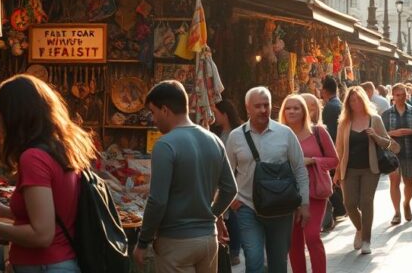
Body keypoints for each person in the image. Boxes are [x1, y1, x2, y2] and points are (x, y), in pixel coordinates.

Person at [0, 75, 98, 273]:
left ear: (15, 118)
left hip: (45, 266)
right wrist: (6, 211)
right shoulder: (61, 150)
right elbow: (53, 213)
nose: (0, 128)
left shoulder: (33, 158)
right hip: (58, 263)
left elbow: (42, 234)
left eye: (0, 119)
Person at [133, 81, 237, 273]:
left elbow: (157, 200)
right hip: (208, 241)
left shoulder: (165, 145)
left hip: (175, 242)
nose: (153, 119)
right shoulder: (214, 140)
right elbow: (230, 189)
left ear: (165, 110)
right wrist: (211, 216)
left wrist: (143, 242)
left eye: (153, 112)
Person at [226, 87, 311, 273]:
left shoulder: (285, 134)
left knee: (278, 264)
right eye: (258, 106)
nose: (263, 110)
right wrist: (232, 199)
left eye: (266, 105)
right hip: (248, 208)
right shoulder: (236, 137)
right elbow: (227, 173)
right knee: (254, 260)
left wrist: (304, 204)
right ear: (247, 108)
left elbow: (299, 170)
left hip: (280, 209)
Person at [334, 86, 396, 255]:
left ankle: (367, 240)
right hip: (350, 168)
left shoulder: (374, 119)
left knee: (366, 202)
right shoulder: (344, 122)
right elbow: (339, 148)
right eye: (352, 100)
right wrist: (337, 172)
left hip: (371, 168)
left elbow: (390, 144)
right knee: (349, 204)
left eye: (358, 99)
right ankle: (360, 229)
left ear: (364, 100)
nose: (355, 103)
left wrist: (375, 136)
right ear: (347, 103)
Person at [280, 95, 338, 273]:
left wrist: (313, 160)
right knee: (294, 242)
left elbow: (334, 160)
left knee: (312, 237)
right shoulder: (278, 134)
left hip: (315, 192)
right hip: (288, 193)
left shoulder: (318, 132)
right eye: (288, 108)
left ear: (304, 110)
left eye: (296, 108)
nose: (292, 111)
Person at [210, 99, 244, 267]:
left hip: (235, 180)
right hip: (222, 179)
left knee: (233, 216)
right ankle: (231, 248)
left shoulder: (237, 133)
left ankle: (235, 250)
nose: (213, 116)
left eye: (216, 113)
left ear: (225, 114)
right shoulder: (218, 133)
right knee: (228, 216)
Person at [381, 83, 412, 225]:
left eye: (403, 95)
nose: (401, 98)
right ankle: (397, 212)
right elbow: (382, 134)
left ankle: (406, 203)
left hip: (410, 152)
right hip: (393, 154)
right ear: (393, 96)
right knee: (394, 182)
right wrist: (393, 133)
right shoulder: (386, 114)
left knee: (409, 182)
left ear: (407, 95)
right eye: (398, 95)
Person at [319, 77, 345, 230]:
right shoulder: (338, 104)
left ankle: (340, 208)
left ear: (324, 91)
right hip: (338, 148)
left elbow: (330, 132)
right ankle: (342, 208)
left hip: (333, 149)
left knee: (332, 182)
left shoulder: (330, 107)